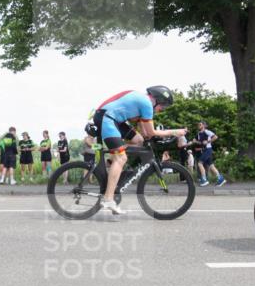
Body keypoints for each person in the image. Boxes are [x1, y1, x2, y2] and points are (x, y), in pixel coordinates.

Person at [91, 86, 187, 215]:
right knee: (121, 158)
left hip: (113, 119)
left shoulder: (143, 101)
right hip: (107, 118)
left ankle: (113, 163)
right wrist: (175, 132)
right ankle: (108, 198)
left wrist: (148, 138)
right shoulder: (147, 104)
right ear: (158, 100)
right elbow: (151, 132)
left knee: (139, 141)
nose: (161, 110)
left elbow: (144, 132)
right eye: (163, 106)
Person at [193, 121, 226, 187]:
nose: (198, 125)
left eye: (200, 124)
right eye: (198, 124)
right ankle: (221, 179)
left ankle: (204, 180)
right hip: (204, 150)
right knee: (211, 166)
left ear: (204, 125)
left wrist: (208, 141)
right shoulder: (199, 134)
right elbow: (199, 142)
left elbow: (215, 137)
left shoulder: (207, 131)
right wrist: (195, 141)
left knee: (200, 163)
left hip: (208, 149)